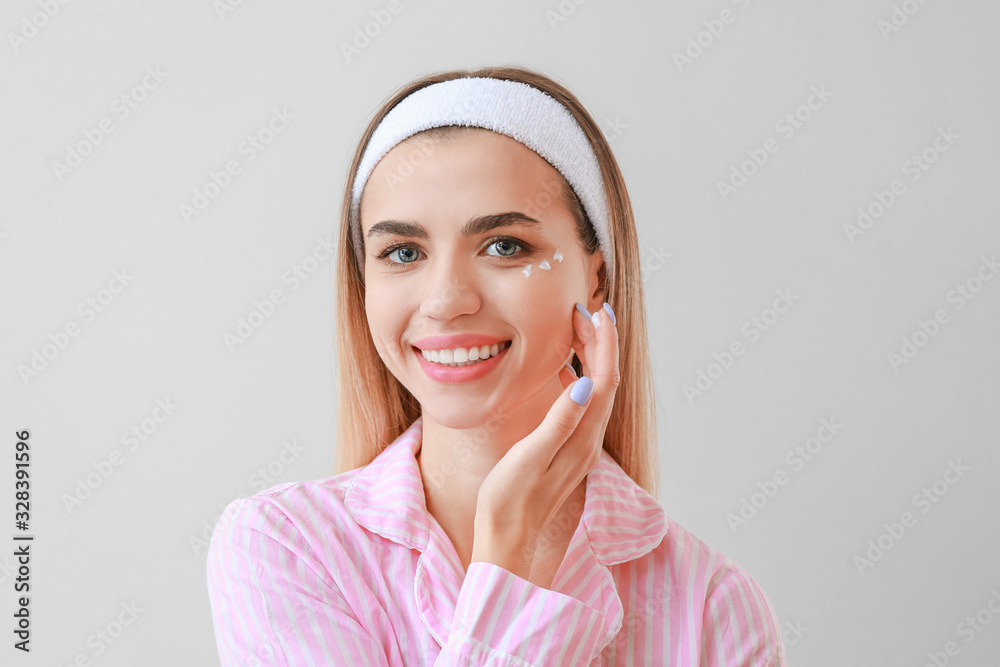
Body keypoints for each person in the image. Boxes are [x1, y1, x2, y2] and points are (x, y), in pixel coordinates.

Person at [206, 65, 787, 666]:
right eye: (403, 253)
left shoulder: (713, 611)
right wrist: (508, 556)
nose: (446, 300)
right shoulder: (285, 548)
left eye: (504, 246)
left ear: (596, 278)